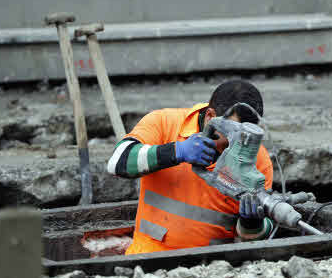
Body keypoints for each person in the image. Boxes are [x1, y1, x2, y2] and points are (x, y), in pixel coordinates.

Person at [107, 80, 274, 255]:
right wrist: (176, 151)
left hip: (214, 268)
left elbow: (252, 243)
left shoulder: (257, 160)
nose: (233, 149)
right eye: (228, 140)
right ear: (210, 117)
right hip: (149, 257)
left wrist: (252, 224)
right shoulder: (165, 123)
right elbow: (117, 162)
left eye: (241, 141)